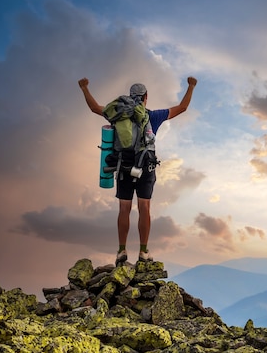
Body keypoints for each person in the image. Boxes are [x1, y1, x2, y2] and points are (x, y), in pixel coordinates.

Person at [78, 76, 197, 265]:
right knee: (144, 207)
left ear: (130, 96)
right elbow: (182, 108)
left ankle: (121, 251)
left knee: (124, 208)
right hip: (145, 167)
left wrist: (84, 88)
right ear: (145, 97)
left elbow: (94, 108)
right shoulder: (153, 116)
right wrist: (191, 86)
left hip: (123, 166)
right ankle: (143, 252)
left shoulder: (117, 114)